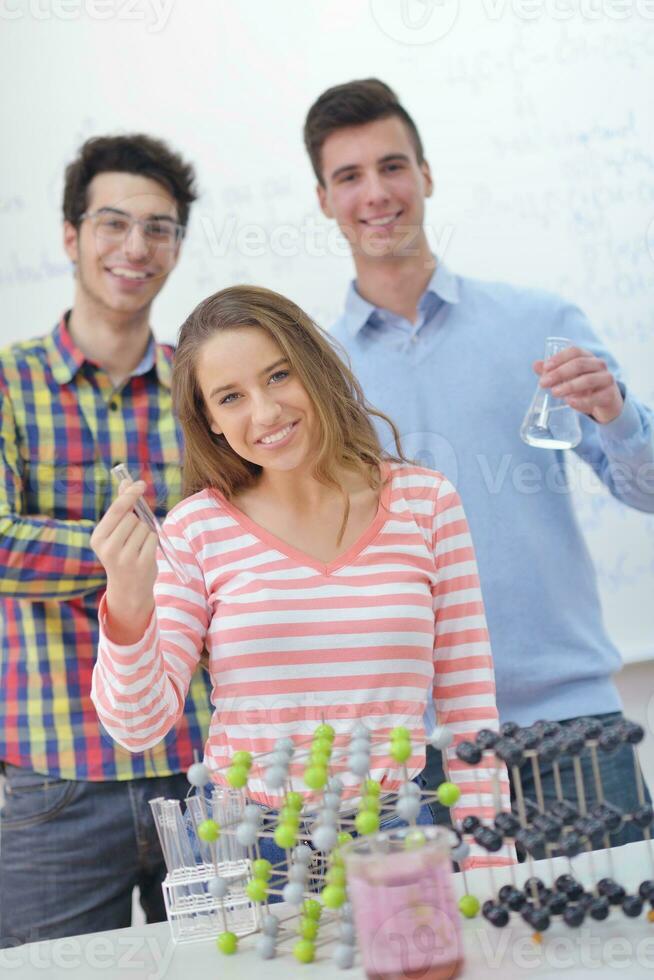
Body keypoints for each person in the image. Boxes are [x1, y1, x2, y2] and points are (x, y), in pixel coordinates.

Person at [303, 78, 654, 843]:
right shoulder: (311, 377)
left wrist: (618, 415)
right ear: (324, 199)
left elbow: (648, 491)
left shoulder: (542, 322)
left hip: (572, 727)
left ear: (426, 176)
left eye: (393, 166)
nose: (377, 193)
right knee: (447, 963)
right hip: (411, 754)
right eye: (349, 176)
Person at [90, 284, 511, 876]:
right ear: (208, 419)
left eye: (279, 375)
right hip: (250, 844)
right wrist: (129, 605)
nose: (264, 413)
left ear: (314, 368)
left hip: (398, 833)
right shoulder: (195, 530)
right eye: (230, 396)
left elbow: (469, 709)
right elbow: (139, 726)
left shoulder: (426, 502)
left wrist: (497, 873)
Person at [0, 134, 212, 946]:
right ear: (70, 235)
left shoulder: (203, 388)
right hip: (57, 778)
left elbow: (240, 540)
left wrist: (148, 557)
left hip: (201, 769)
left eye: (159, 228)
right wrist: (131, 556)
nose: (136, 247)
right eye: (113, 223)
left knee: (237, 970)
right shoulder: (11, 383)